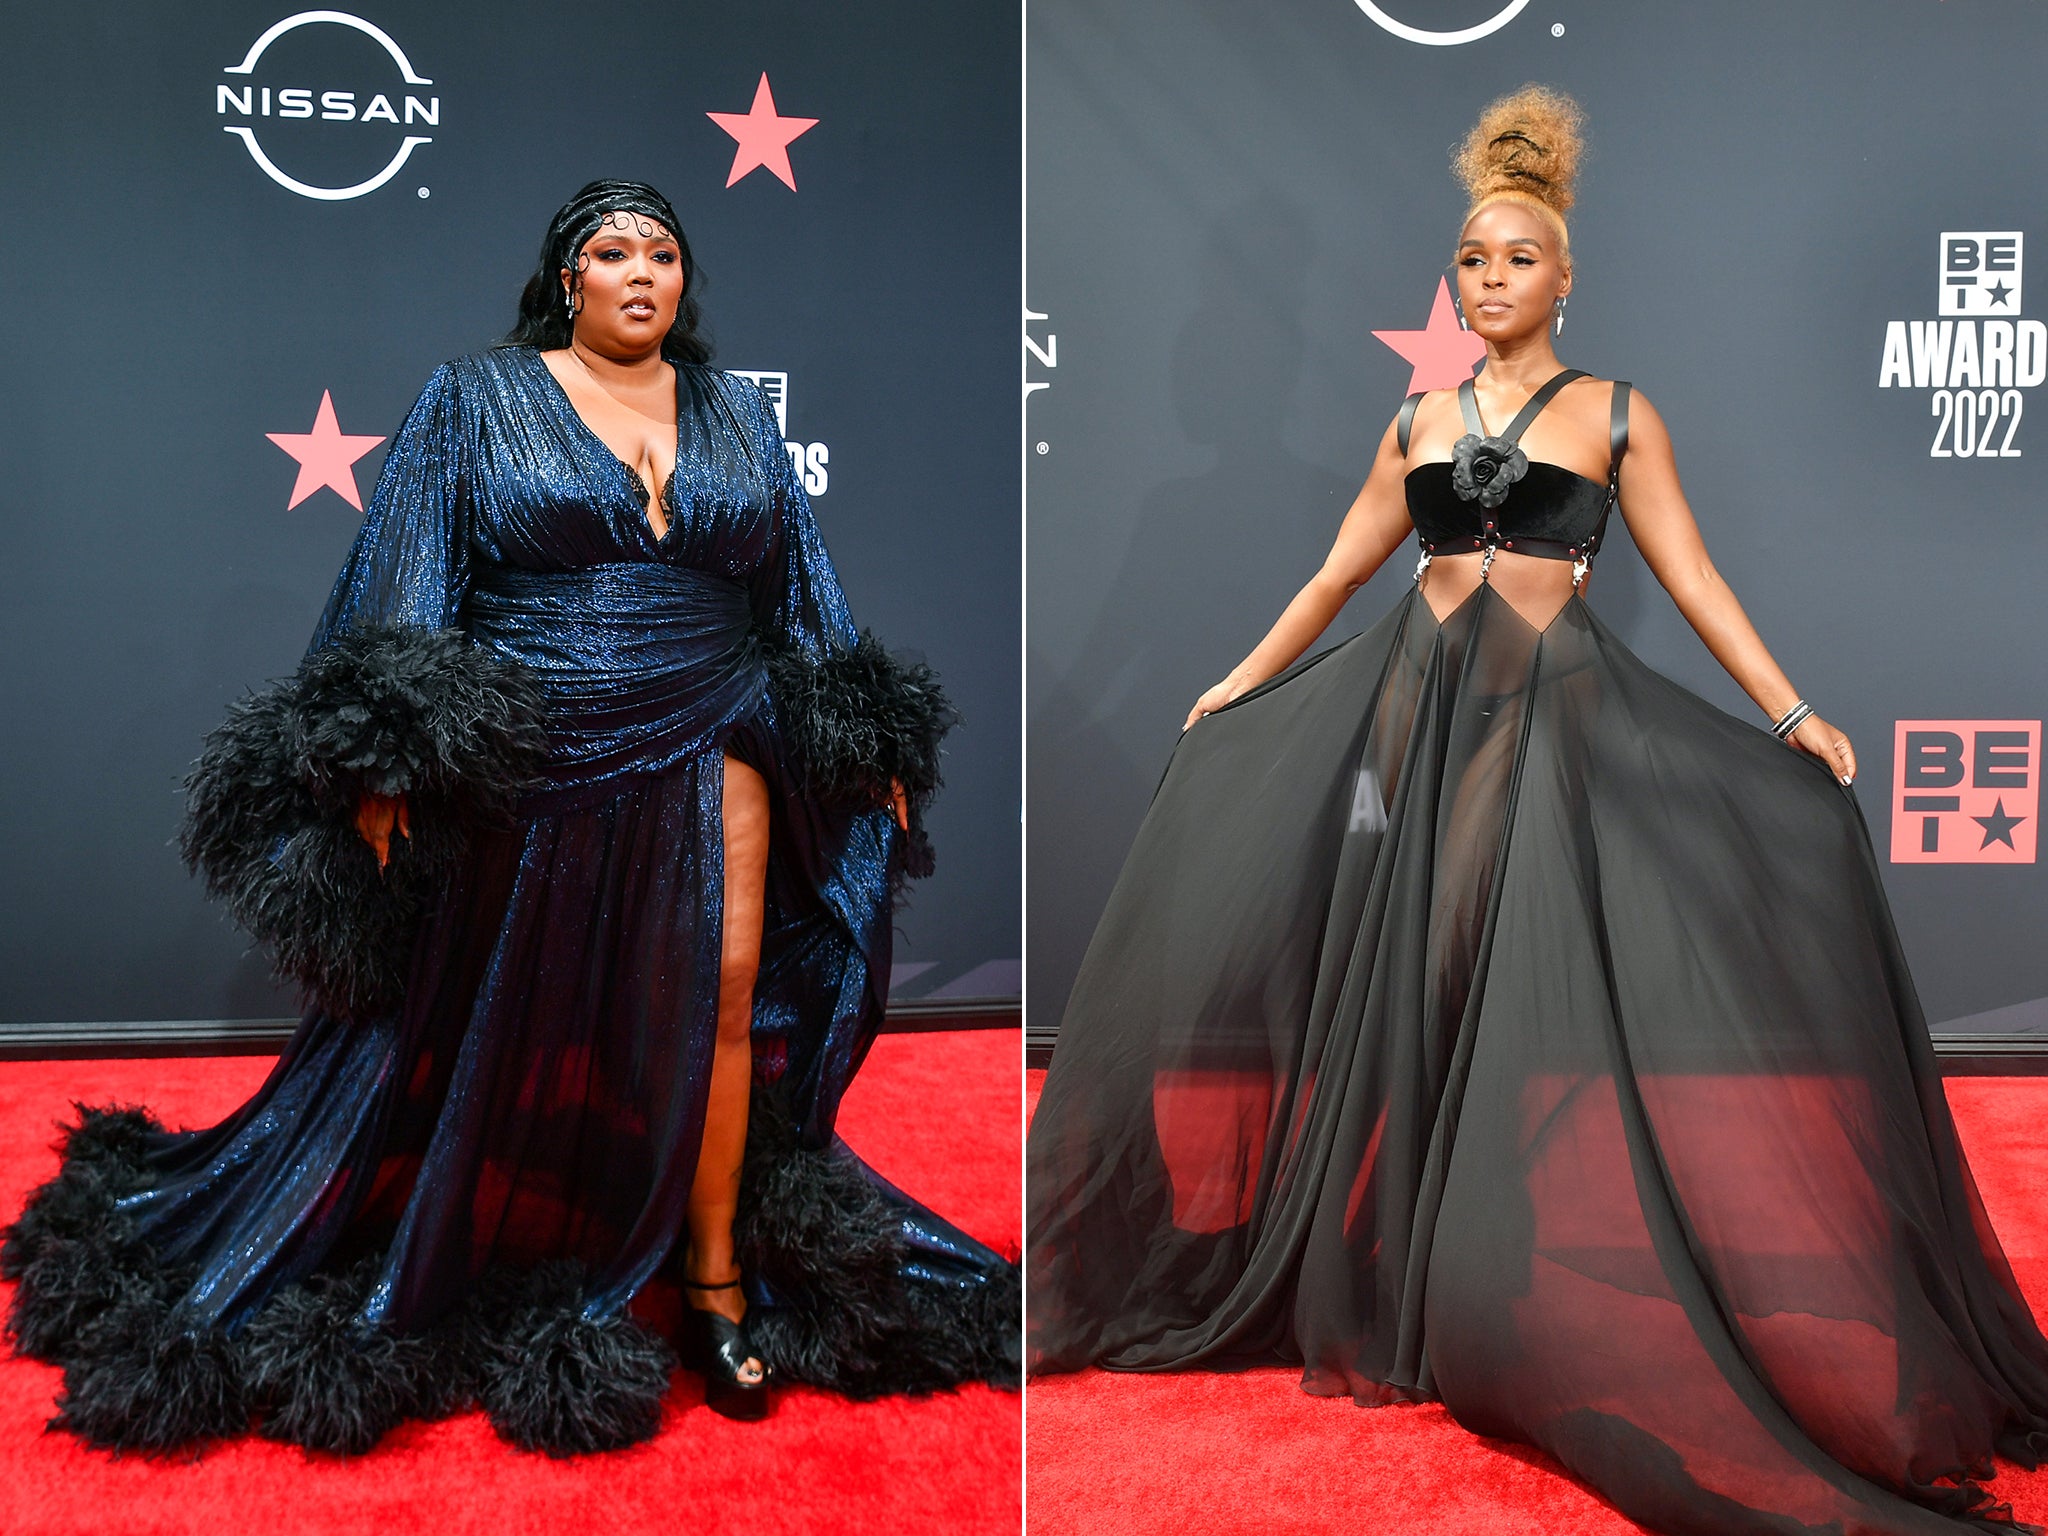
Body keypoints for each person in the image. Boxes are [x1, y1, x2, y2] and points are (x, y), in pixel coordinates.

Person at [1026, 86, 2048, 1534]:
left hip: (1540, 726)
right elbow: (1334, 582)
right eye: (1469, 258)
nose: (1487, 276)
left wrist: (1792, 712)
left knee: (1479, 984)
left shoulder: (1621, 418)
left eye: (1515, 257)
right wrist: (1232, 688)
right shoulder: (1416, 419)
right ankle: (1397, 1265)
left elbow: (1697, 584)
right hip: (1403, 724)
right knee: (1396, 982)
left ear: (1569, 276)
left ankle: (1468, 1270)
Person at [2, 180, 1017, 1456]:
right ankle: (485, 1220)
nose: (641, 272)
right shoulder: (472, 399)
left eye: (662, 252)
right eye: (611, 252)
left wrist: (862, 734)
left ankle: (710, 1281)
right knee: (488, 1005)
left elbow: (796, 585)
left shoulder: (738, 418)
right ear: (565, 278)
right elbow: (409, 574)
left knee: (725, 996)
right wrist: (386, 754)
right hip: (536, 757)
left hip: (723, 727)